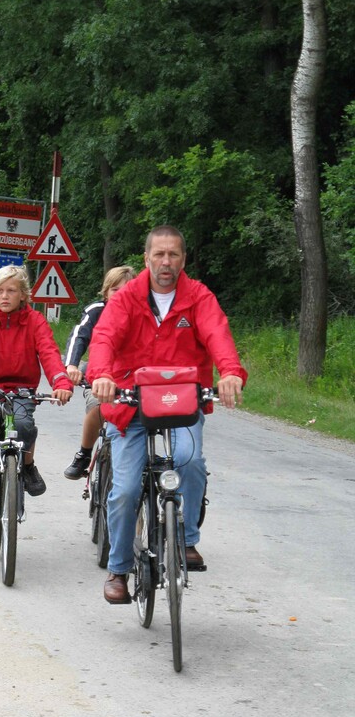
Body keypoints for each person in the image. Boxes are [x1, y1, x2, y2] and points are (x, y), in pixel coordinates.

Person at [88, 225, 248, 604]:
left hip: (181, 403)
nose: (166, 261)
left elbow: (218, 335)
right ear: (146, 259)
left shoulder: (198, 297)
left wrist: (229, 373)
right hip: (129, 403)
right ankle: (119, 569)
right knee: (125, 490)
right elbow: (105, 338)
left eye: (173, 254)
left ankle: (187, 540)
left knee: (191, 462)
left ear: (183, 259)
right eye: (159, 254)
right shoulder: (126, 297)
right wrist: (103, 375)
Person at [0, 264, 74, 545]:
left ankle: (27, 465)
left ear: (23, 295)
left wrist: (61, 383)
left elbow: (48, 352)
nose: (4, 296)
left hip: (19, 391)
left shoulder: (35, 322)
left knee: (22, 425)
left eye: (11, 291)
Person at [63, 265, 137, 479]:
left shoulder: (143, 313)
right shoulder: (96, 310)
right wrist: (72, 366)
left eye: (127, 289)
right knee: (98, 406)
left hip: (129, 377)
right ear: (106, 292)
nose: (121, 295)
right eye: (115, 290)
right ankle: (84, 454)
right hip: (98, 372)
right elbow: (79, 335)